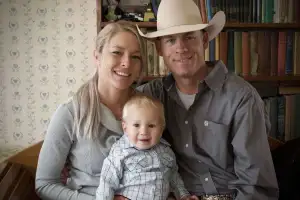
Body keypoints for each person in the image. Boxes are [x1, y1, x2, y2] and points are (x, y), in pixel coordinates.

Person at [136, 0, 279, 199]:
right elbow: (111, 100)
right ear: (159, 49)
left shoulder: (241, 98)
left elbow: (255, 186)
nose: (181, 48)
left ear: (204, 40)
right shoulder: (151, 96)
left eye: (189, 37)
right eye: (170, 40)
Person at [35, 21, 147, 200]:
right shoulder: (70, 113)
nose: (127, 63)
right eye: (117, 52)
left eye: (135, 57)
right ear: (97, 56)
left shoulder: (148, 107)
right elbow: (45, 184)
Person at [96, 95, 199, 200]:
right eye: (136, 125)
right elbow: (107, 181)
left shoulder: (166, 151)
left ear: (162, 128)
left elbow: (174, 177)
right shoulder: (120, 151)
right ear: (125, 127)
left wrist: (183, 195)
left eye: (151, 126)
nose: (144, 132)